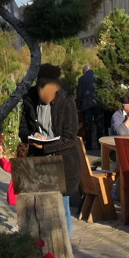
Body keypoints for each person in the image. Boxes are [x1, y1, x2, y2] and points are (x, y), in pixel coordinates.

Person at [18, 64, 79, 237]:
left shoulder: (66, 101)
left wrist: (47, 145)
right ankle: (42, 247)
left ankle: (64, 249)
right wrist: (31, 136)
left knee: (62, 207)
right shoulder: (29, 99)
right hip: (38, 162)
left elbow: (69, 137)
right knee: (39, 207)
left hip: (62, 162)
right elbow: (22, 129)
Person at [76, 65, 99, 150]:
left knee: (88, 125)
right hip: (98, 104)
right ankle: (100, 144)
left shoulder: (82, 79)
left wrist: (78, 106)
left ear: (84, 71)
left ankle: (89, 145)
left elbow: (79, 93)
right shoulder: (97, 78)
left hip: (86, 105)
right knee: (99, 124)